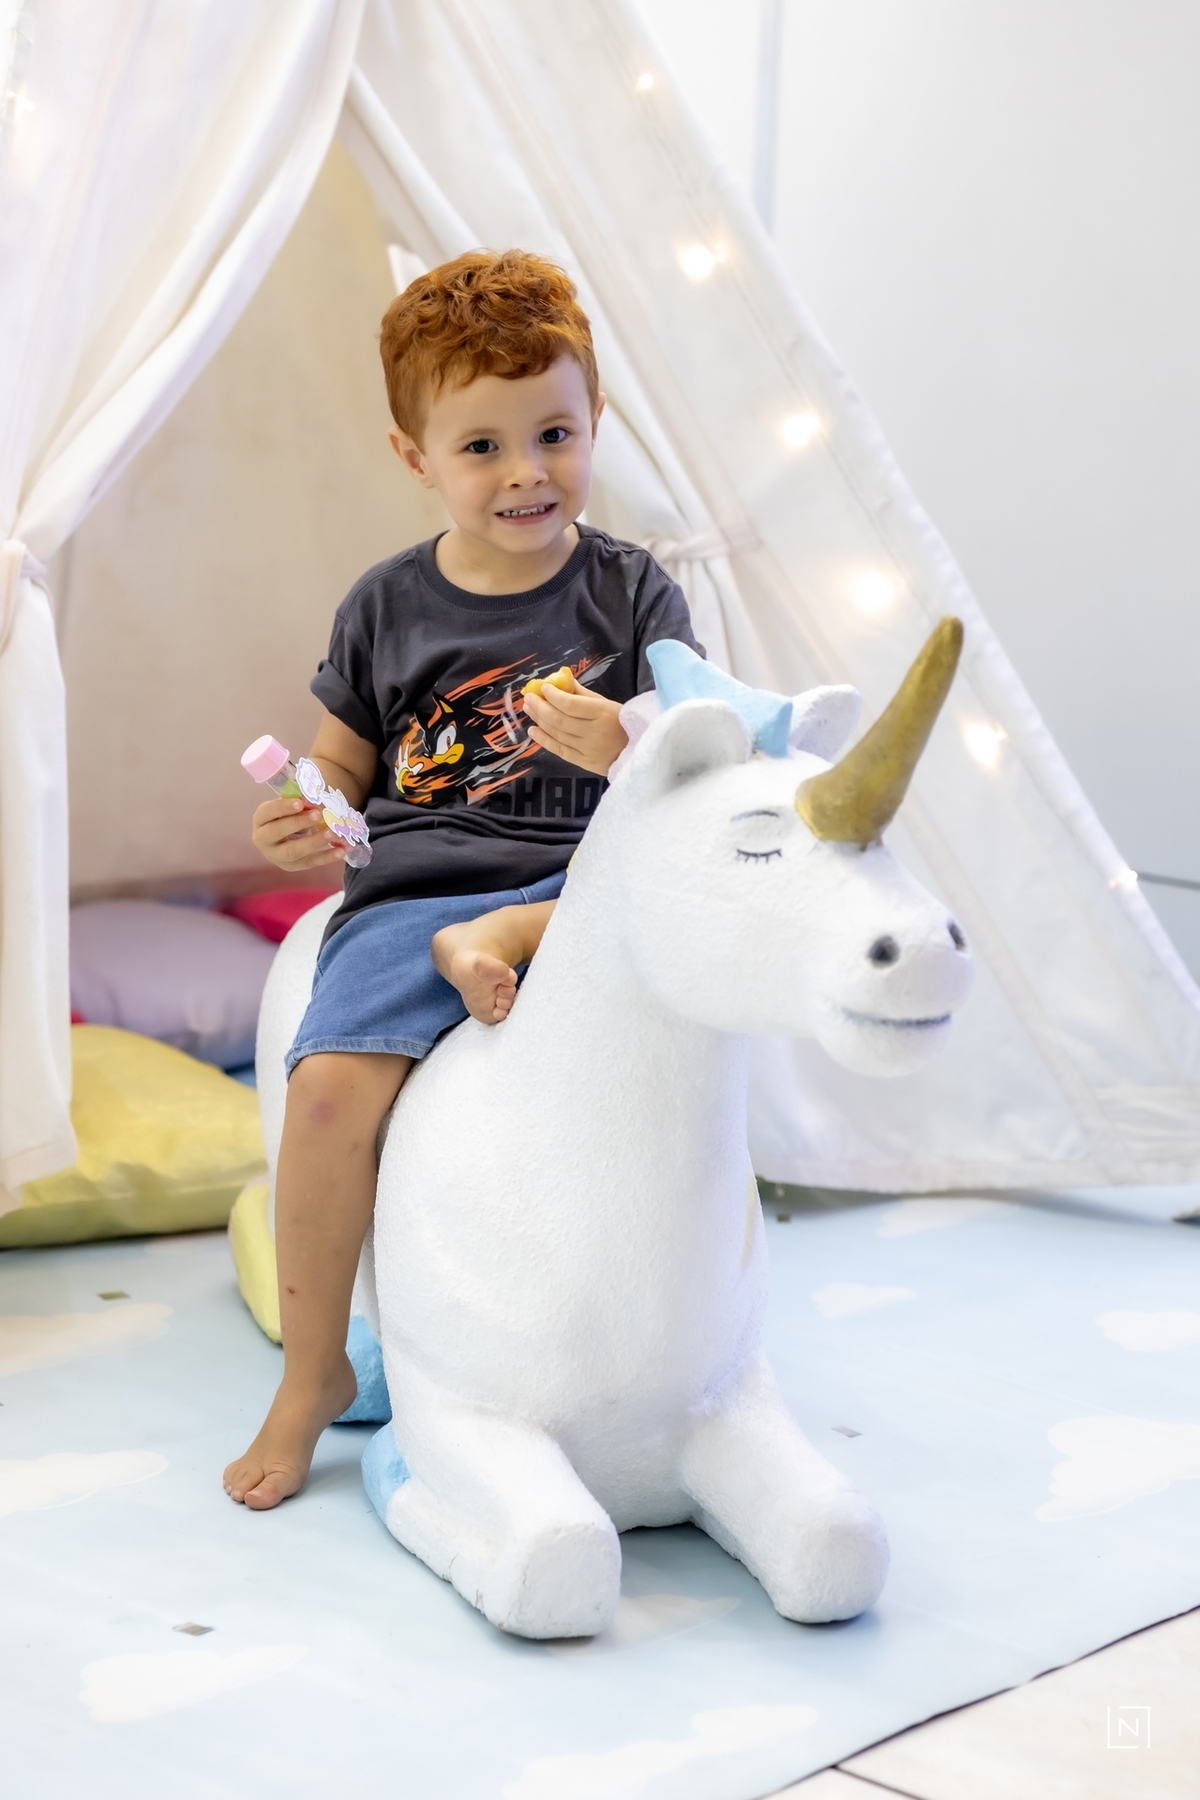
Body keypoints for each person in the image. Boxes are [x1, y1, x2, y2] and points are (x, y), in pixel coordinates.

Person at [223, 249, 702, 1509]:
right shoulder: (386, 606)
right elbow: (337, 766)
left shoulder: (632, 592)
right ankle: (315, 1369)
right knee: (324, 1093)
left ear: (596, 422)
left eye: (554, 434)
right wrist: (306, 814)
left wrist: (629, 739)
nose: (526, 472)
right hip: (419, 894)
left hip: (587, 887)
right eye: (482, 447)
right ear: (415, 458)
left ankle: (662, 1332)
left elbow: (701, 754)